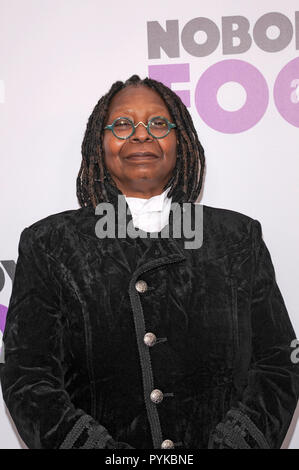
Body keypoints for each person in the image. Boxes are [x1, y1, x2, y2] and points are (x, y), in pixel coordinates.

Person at [1, 74, 299, 449]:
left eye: (158, 123)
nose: (141, 135)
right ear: (100, 143)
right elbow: (28, 376)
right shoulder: (49, 244)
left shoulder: (237, 238)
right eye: (123, 124)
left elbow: (278, 363)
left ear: (182, 141)